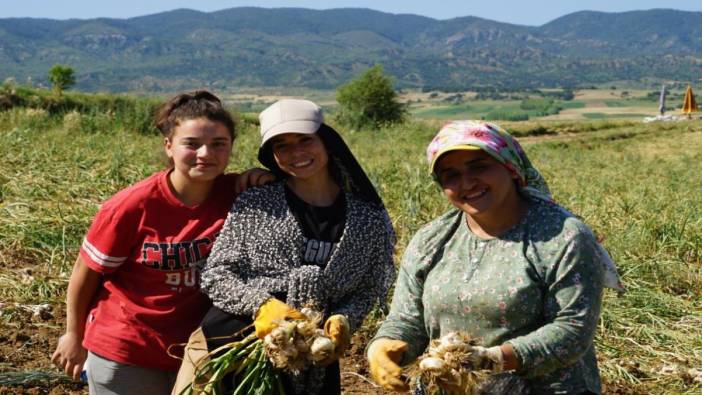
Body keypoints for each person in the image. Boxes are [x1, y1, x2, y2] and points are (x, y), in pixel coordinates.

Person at [367, 120, 623, 394]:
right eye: (450, 175)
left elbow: (572, 330)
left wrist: (491, 360)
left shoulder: (562, 236)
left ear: (510, 166)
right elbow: (407, 319)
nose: (466, 182)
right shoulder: (430, 240)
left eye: (479, 167)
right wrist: (383, 346)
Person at [51, 90, 273, 394]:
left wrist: (264, 178)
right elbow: (85, 273)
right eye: (191, 144)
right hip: (128, 350)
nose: (205, 154)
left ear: (231, 148)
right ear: (169, 146)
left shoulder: (240, 195)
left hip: (201, 351)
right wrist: (72, 335)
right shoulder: (131, 206)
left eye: (218, 144)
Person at [175, 99, 396, 395]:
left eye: (305, 140)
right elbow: (216, 275)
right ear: (272, 155)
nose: (297, 153)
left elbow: (370, 287)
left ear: (327, 142)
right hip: (235, 348)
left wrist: (345, 318)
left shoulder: (366, 220)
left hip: (314, 357)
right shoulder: (258, 203)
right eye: (282, 146)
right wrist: (261, 305)